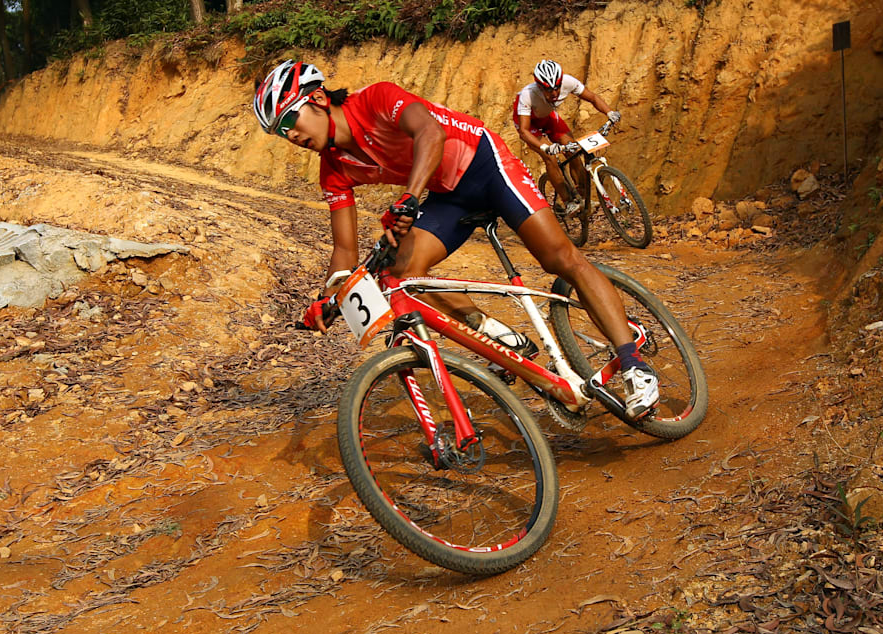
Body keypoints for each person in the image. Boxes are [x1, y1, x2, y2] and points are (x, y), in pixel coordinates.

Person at [252, 60, 658, 418]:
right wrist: (331, 295)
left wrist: (409, 198)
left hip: (485, 163)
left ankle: (634, 364)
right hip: (449, 193)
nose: (290, 136)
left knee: (560, 259)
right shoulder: (333, 169)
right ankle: (498, 335)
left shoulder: (375, 100)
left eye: (289, 122)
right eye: (279, 133)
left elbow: (429, 133)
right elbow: (344, 249)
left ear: (319, 99)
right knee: (400, 273)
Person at [512, 59, 621, 216]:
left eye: (557, 88)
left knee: (573, 149)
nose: (555, 93)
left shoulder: (568, 81)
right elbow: (524, 131)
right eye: (549, 90)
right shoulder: (527, 95)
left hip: (547, 117)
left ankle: (582, 198)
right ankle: (568, 201)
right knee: (549, 157)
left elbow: (593, 98)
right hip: (529, 125)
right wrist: (545, 147)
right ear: (540, 87)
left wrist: (610, 112)